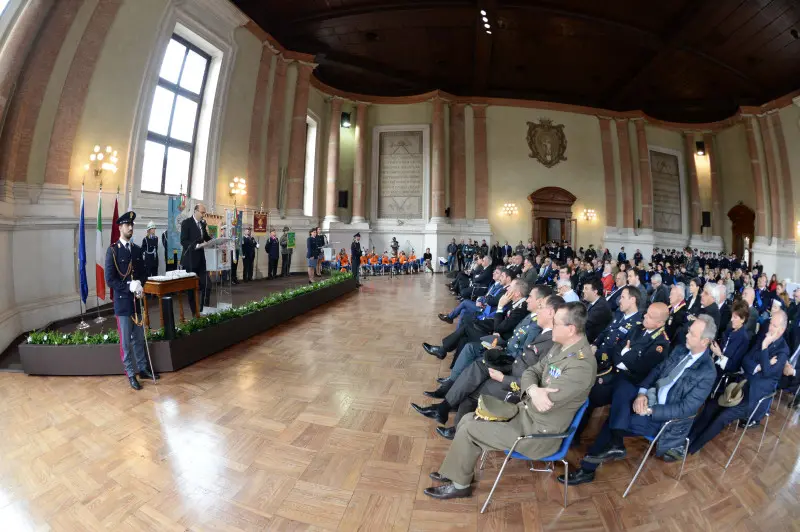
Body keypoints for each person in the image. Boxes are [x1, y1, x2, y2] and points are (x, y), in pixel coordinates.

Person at [422, 303, 596, 500]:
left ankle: (460, 486)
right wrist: (533, 389)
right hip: (525, 415)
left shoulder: (581, 366)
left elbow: (545, 403)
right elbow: (532, 372)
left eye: (556, 324)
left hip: (539, 433)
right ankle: (455, 474)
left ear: (571, 329)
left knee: (470, 429)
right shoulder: (560, 347)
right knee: (468, 419)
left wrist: (536, 393)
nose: (551, 327)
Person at [560, 316, 717, 485]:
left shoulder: (707, 372)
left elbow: (686, 408)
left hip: (662, 419)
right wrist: (642, 393)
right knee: (623, 384)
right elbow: (657, 371)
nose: (686, 335)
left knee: (616, 418)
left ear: (705, 341)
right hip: (649, 397)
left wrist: (651, 410)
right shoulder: (680, 350)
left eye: (692, 334)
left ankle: (588, 468)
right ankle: (616, 442)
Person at [419, 293, 562, 440]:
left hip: (515, 381)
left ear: (550, 312)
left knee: (472, 384)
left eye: (541, 307)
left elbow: (533, 373)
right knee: (478, 364)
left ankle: (453, 421)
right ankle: (446, 409)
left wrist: (503, 377)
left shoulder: (550, 339)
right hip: (512, 365)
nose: (537, 310)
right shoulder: (543, 331)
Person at [688, 309, 789, 454]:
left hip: (754, 396)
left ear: (782, 329)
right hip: (740, 384)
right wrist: (758, 366)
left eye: (774, 325)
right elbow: (746, 360)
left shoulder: (782, 351)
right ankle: (687, 437)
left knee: (722, 416)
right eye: (771, 324)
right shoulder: (763, 338)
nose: (769, 328)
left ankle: (692, 447)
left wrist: (765, 348)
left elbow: (767, 373)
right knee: (711, 406)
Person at [105, 211, 159, 390]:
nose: (130, 227)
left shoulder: (137, 249)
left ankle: (143, 368)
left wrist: (141, 285)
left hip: (137, 301)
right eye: (127, 225)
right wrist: (128, 285)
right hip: (122, 303)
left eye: (132, 225)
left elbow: (142, 273)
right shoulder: (113, 251)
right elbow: (110, 280)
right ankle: (130, 372)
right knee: (126, 341)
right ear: (120, 227)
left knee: (138, 338)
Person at [180, 203, 212, 314]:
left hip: (201, 260)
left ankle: (204, 310)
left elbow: (207, 238)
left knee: (207, 284)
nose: (204, 215)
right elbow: (183, 241)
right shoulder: (186, 223)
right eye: (202, 213)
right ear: (195, 211)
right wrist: (195, 246)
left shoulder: (203, 224)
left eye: (204, 213)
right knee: (191, 289)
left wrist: (216, 241)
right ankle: (195, 313)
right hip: (190, 260)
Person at [709, 301, 751, 378]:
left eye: (735, 317)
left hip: (723, 373)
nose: (731, 319)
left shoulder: (744, 339)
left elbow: (733, 366)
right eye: (732, 316)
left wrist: (719, 354)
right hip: (714, 365)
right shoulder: (729, 331)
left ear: (743, 319)